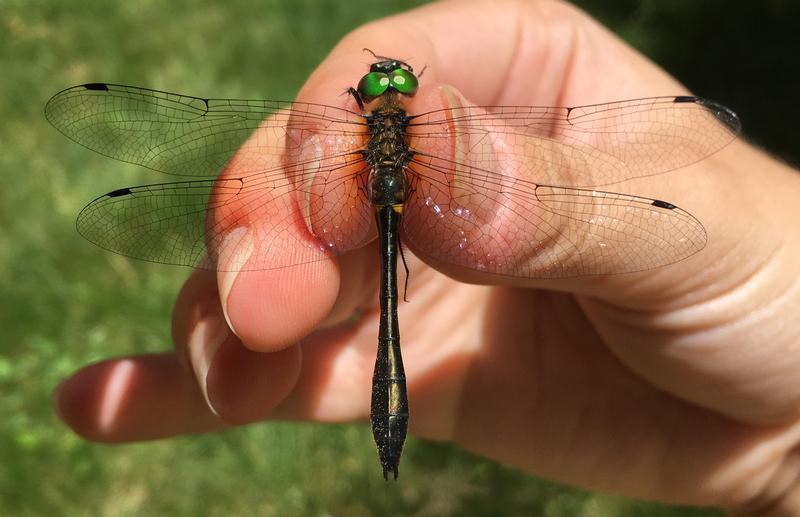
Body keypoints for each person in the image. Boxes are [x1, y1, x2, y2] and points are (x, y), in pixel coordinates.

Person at [54, 0, 800, 513]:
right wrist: (775, 470)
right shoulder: (394, 129)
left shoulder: (396, 128)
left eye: (394, 81)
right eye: (385, 82)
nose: (389, 83)